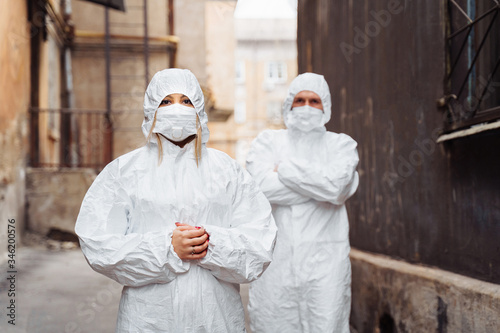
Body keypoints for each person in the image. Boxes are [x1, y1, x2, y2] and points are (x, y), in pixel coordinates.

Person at [75, 68, 277, 332]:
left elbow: (259, 244)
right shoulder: (124, 172)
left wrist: (207, 244)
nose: (177, 108)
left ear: (199, 110)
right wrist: (166, 248)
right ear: (151, 110)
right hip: (149, 319)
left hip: (216, 318)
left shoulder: (227, 171)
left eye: (186, 101)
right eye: (166, 101)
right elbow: (97, 243)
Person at [246, 72, 359, 333]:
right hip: (276, 264)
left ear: (326, 106)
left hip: (326, 264)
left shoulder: (341, 145)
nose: (306, 106)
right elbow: (260, 187)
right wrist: (323, 188)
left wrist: (284, 170)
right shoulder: (268, 141)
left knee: (326, 323)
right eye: (299, 100)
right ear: (288, 104)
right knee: (275, 323)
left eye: (314, 101)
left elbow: (336, 186)